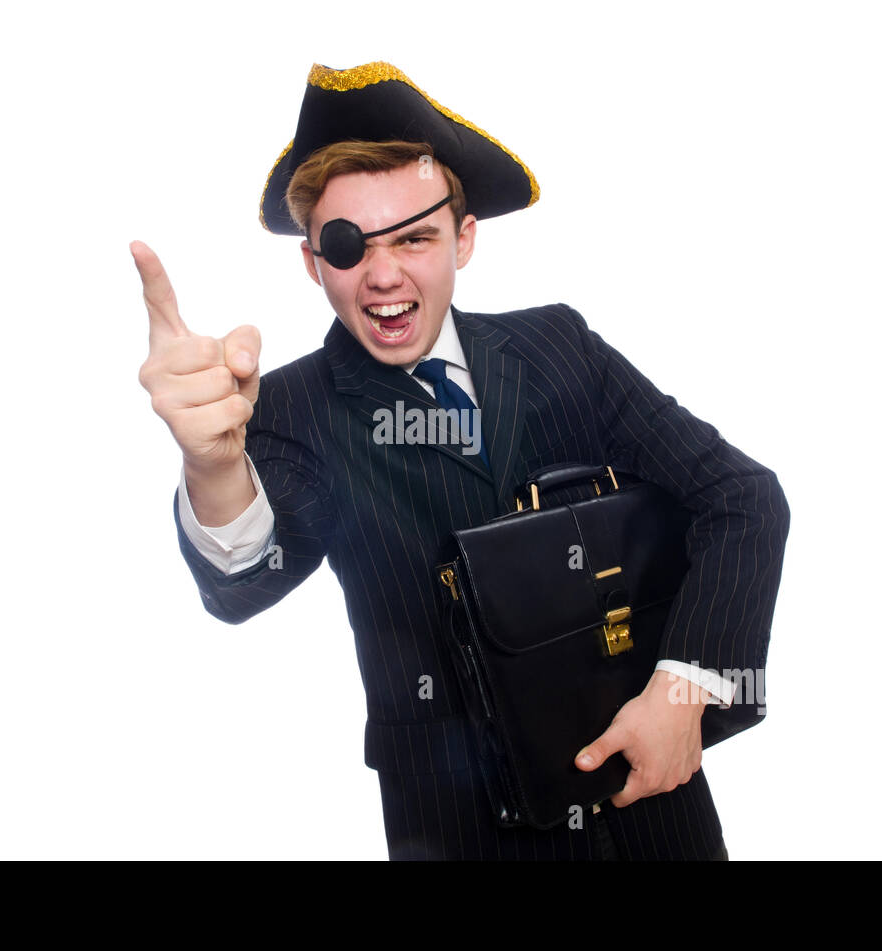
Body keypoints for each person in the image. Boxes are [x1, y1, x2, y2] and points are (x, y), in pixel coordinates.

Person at [134, 62, 790, 860]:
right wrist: (211, 466)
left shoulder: (559, 346)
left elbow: (741, 497)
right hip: (463, 830)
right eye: (349, 248)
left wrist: (684, 692)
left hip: (651, 816)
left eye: (414, 237)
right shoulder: (289, 409)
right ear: (313, 262)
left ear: (464, 238)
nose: (383, 274)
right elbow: (242, 583)